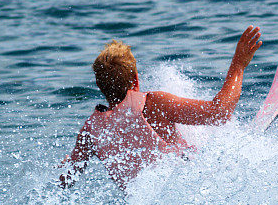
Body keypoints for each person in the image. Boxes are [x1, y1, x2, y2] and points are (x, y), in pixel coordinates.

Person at [60, 26, 262, 190]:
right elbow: (219, 114)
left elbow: (66, 180)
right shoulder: (152, 104)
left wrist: (67, 164)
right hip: (191, 190)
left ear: (100, 86)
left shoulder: (91, 130)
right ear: (135, 79)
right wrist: (238, 65)